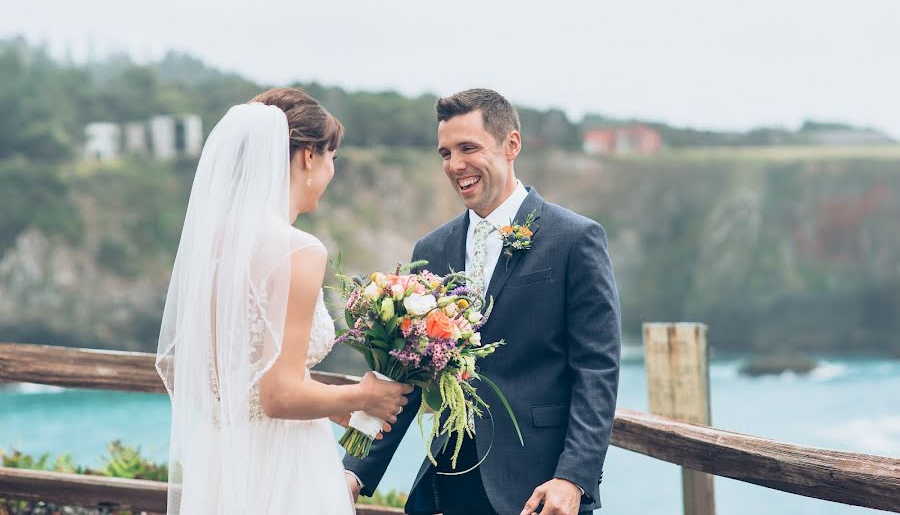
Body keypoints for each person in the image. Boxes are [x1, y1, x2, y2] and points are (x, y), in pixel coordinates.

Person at [343, 88, 621, 515]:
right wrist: (354, 472)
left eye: (468, 148)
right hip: (449, 485)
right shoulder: (432, 248)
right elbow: (404, 372)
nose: (455, 165)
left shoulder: (575, 239)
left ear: (512, 145)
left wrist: (573, 479)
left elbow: (596, 369)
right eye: (445, 153)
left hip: (541, 491)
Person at [156, 88, 412, 514]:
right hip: (285, 464)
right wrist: (361, 396)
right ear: (308, 157)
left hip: (226, 460)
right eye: (332, 157)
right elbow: (279, 395)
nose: (332, 171)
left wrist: (326, 404)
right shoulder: (298, 250)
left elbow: (251, 377)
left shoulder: (213, 247)